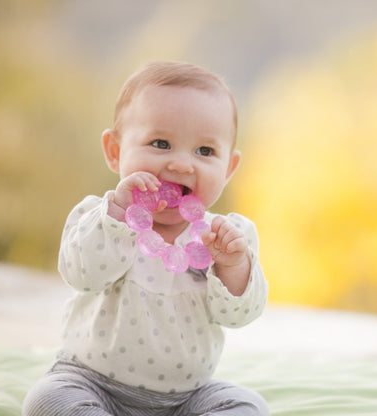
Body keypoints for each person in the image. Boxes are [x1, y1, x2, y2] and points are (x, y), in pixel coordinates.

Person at [23, 61, 269, 416]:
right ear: (114, 151)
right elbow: (82, 274)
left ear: (228, 168)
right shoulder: (98, 217)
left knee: (249, 406)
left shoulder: (226, 237)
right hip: (90, 381)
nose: (182, 165)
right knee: (47, 399)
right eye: (161, 143)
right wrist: (118, 216)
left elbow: (239, 315)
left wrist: (232, 264)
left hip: (186, 398)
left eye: (204, 151)